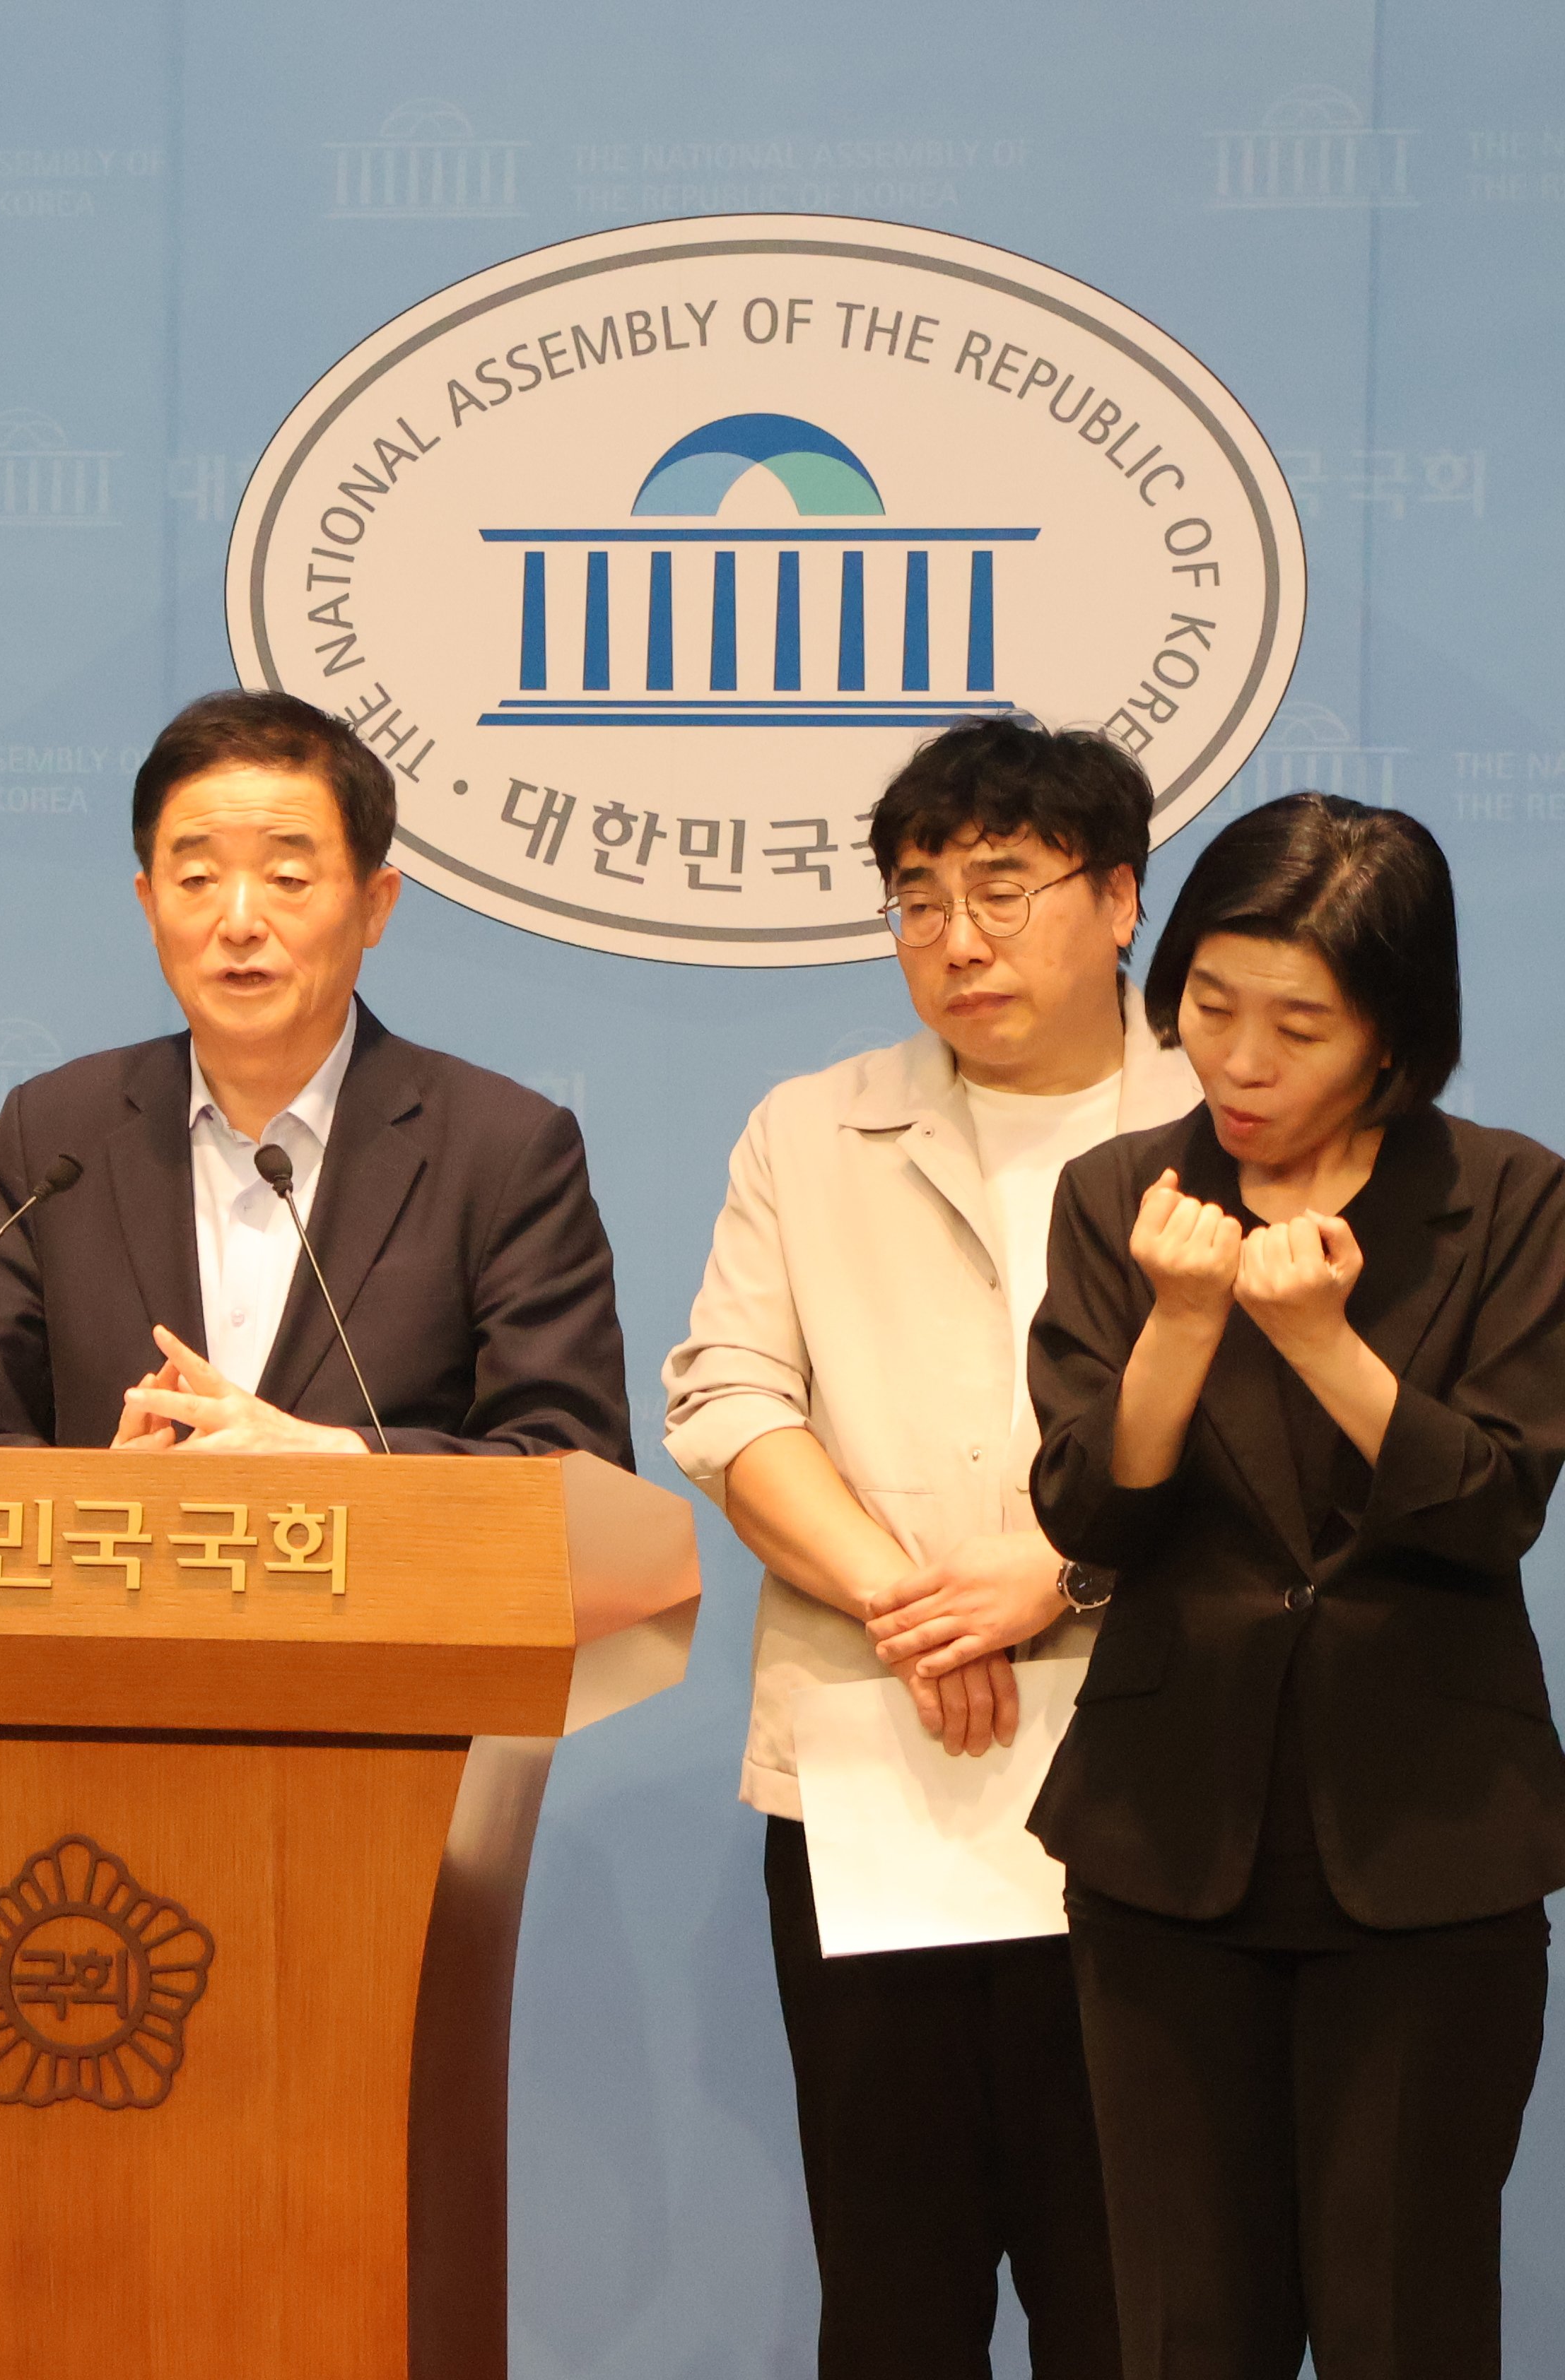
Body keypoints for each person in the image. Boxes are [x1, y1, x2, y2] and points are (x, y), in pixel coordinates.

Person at [662, 719, 1189, 2377]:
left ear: (1119, 899)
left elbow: (1285, 1437)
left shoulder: (1226, 1114)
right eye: (917, 898)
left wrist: (1065, 1569)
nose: (957, 938)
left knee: (1142, 2289)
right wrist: (906, 1601)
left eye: (1003, 888)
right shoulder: (810, 1130)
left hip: (1169, 1782)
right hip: (874, 1772)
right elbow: (729, 1399)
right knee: (894, 2291)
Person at [1021, 792, 1564, 2378]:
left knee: (1409, 2320)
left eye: (1299, 1026)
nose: (1242, 1063)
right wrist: (1184, 1322)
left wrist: (1324, 1342)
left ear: (1393, 1030)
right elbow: (1086, 1514)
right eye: (1210, 1006)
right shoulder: (1121, 1195)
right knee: (1187, 2326)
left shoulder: (1511, 1199)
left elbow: (1494, 1505)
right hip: (1166, 1840)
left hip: (1430, 1843)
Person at [0, 688, 628, 1460]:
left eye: (288, 878)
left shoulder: (500, 1151)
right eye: (197, 880)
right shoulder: (55, 1138)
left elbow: (575, 1460)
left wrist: (333, 1461)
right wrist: (100, 1497)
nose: (240, 922)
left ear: (375, 904)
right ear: (149, 906)